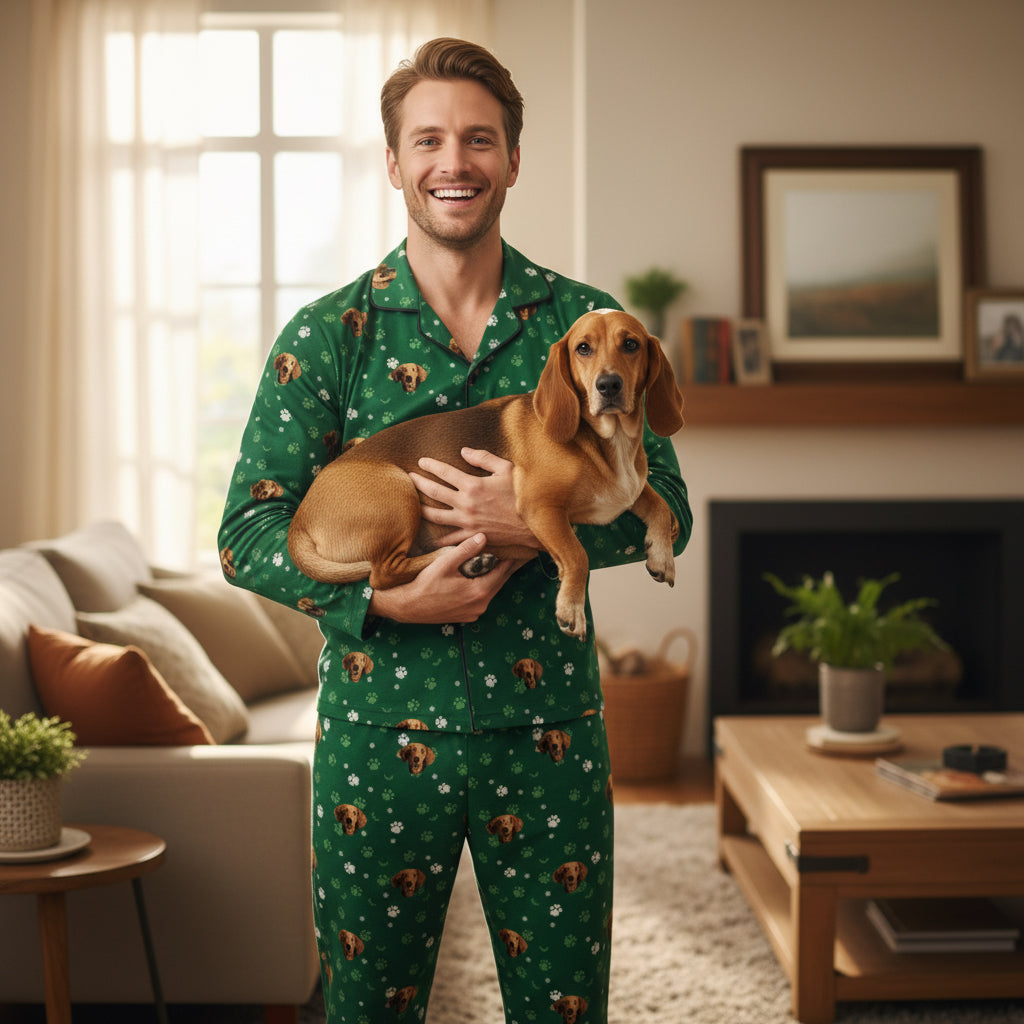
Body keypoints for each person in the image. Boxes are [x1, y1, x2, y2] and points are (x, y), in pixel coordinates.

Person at [218, 37, 691, 1024]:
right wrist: (375, 594)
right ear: (393, 162)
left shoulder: (583, 323)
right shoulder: (328, 334)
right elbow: (248, 534)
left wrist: (527, 528)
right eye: (427, 139)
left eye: (478, 139)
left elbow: (668, 504)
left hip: (549, 733)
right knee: (366, 1010)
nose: (454, 161)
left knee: (564, 1009)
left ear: (513, 159)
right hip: (379, 738)